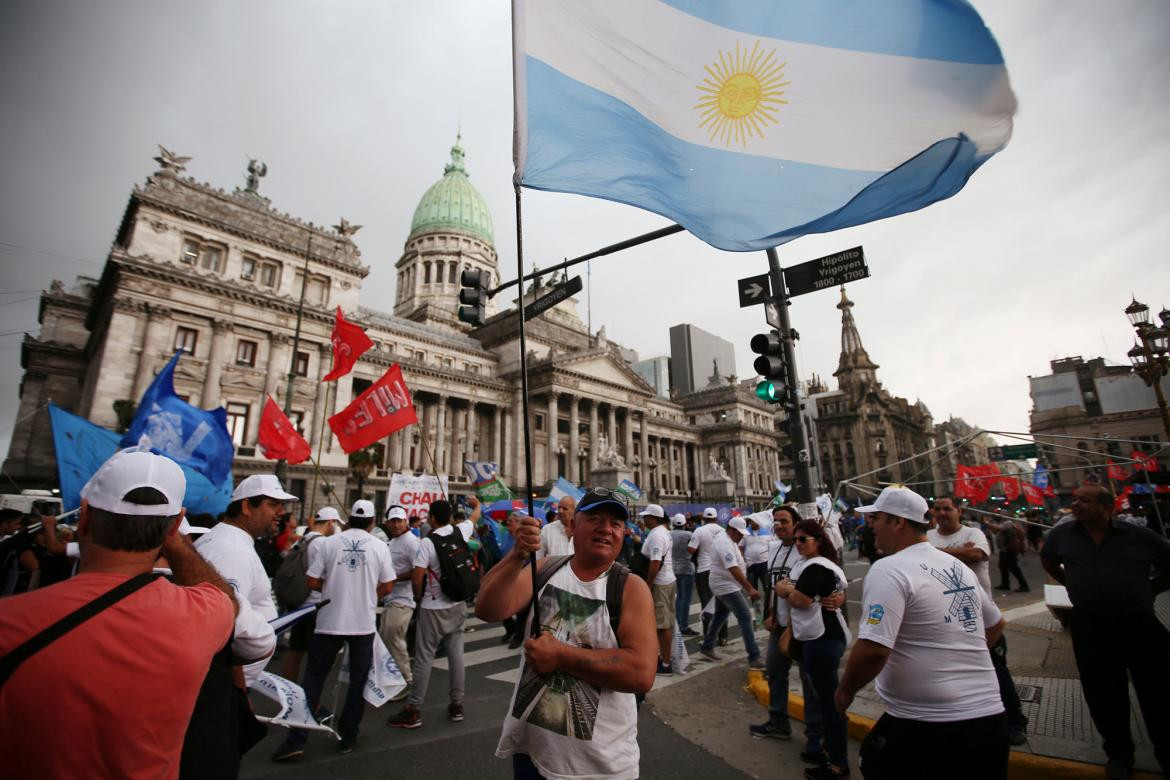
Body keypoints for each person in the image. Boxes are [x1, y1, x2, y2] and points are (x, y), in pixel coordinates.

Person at [0, 448, 237, 778]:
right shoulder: (203, 614)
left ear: (84, 516)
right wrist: (175, 540)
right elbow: (225, 597)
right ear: (175, 528)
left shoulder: (8, 623)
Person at [476, 487, 657, 779]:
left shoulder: (630, 588)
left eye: (616, 523)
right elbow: (489, 609)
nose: (606, 529)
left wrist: (561, 655)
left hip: (598, 767)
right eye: (595, 518)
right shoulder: (546, 567)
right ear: (573, 527)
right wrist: (516, 555)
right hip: (533, 752)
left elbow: (641, 673)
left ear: (624, 534)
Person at [836, 486, 1008, 780]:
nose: (871, 525)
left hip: (928, 725)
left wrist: (844, 693)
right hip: (990, 719)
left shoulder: (889, 568)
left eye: (876, 518)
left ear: (897, 522)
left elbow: (874, 648)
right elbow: (995, 625)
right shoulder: (956, 565)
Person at [1041, 484, 1170, 779]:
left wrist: (1148, 590)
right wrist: (1072, 584)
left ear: (1106, 507)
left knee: (1157, 692)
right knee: (1102, 693)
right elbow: (1048, 559)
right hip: (1090, 626)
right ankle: (1119, 754)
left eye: (1084, 500)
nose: (1075, 505)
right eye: (1074, 499)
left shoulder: (1138, 536)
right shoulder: (1062, 534)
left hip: (1138, 624)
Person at [272, 498, 395, 759]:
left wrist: (332, 589)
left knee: (313, 678)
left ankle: (297, 738)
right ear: (373, 522)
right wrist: (368, 595)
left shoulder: (329, 543)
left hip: (329, 621)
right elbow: (388, 586)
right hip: (362, 623)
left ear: (348, 519)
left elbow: (312, 580)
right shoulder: (379, 546)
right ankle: (348, 735)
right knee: (358, 681)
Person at [928, 496, 1028, 745]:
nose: (941, 513)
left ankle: (1015, 722)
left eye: (947, 508)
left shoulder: (974, 532)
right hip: (946, 620)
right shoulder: (929, 536)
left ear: (958, 511)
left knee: (996, 670)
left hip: (982, 619)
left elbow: (977, 554)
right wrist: (957, 553)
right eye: (937, 509)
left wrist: (937, 555)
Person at [750, 505, 843, 768]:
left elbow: (832, 585)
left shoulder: (807, 553)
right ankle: (778, 721)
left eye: (784, 521)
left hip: (806, 629)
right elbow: (771, 584)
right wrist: (768, 612)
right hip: (779, 624)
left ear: (797, 523)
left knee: (809, 682)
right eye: (776, 521)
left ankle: (815, 737)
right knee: (775, 672)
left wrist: (838, 598)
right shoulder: (774, 548)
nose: (779, 526)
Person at [195, 473, 294, 687]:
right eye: (273, 504)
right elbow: (225, 627)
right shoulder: (232, 551)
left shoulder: (228, 540)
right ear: (247, 507)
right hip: (219, 682)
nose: (281, 512)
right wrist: (237, 689)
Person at [387, 498, 478, 729]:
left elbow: (417, 577)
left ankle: (414, 709)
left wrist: (418, 598)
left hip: (433, 606)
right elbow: (476, 516)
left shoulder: (427, 542)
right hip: (457, 604)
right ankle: (457, 704)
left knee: (424, 658)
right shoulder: (461, 531)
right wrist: (475, 503)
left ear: (434, 518)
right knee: (456, 655)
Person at [774, 520, 851, 780]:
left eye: (803, 539)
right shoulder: (807, 564)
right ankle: (825, 749)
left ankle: (838, 764)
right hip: (813, 637)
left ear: (818, 540)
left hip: (823, 638)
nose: (797, 543)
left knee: (829, 702)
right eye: (796, 539)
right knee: (822, 698)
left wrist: (784, 589)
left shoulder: (818, 565)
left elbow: (800, 599)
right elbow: (839, 589)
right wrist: (784, 587)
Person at [280, 506, 341, 682]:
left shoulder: (304, 538)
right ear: (330, 522)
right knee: (317, 657)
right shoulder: (322, 543)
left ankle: (288, 692)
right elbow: (328, 575)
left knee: (295, 651)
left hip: (298, 602)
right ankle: (310, 699)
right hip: (314, 605)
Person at [698, 515, 764, 668]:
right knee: (745, 616)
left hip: (727, 584)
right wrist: (750, 588)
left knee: (721, 615)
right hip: (725, 585)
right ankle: (754, 656)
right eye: (739, 533)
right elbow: (732, 568)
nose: (741, 537)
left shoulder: (729, 539)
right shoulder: (723, 542)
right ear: (732, 530)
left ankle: (707, 646)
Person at [380, 504, 420, 699]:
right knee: (387, 637)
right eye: (392, 521)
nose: (396, 524)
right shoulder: (393, 541)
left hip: (404, 598)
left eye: (399, 521)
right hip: (390, 597)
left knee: (394, 637)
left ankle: (406, 679)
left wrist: (394, 578)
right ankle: (393, 678)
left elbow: (419, 570)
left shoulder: (412, 542)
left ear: (406, 522)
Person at [637, 503, 676, 675]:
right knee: (661, 622)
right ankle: (662, 656)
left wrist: (648, 585)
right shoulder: (663, 532)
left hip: (660, 583)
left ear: (653, 518)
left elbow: (654, 563)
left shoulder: (657, 536)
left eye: (646, 516)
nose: (644, 519)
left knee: (662, 625)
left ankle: (666, 663)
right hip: (667, 579)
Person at [688, 506, 728, 644]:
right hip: (720, 570)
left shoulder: (699, 530)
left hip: (704, 569)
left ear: (704, 518)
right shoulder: (724, 531)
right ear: (716, 518)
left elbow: (691, 549)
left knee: (706, 603)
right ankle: (723, 637)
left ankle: (708, 637)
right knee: (722, 602)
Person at [670, 513, 697, 636]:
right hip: (687, 568)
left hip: (674, 569)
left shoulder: (669, 534)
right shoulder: (689, 535)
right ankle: (684, 625)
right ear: (685, 524)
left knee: (678, 597)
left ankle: (676, 622)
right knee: (685, 598)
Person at [989, 514, 1029, 592]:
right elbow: (995, 531)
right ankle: (1005, 584)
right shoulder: (1004, 523)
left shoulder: (1008, 523)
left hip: (1008, 550)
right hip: (1004, 550)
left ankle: (1024, 585)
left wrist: (987, 523)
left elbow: (999, 528)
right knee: (1003, 567)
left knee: (1014, 568)